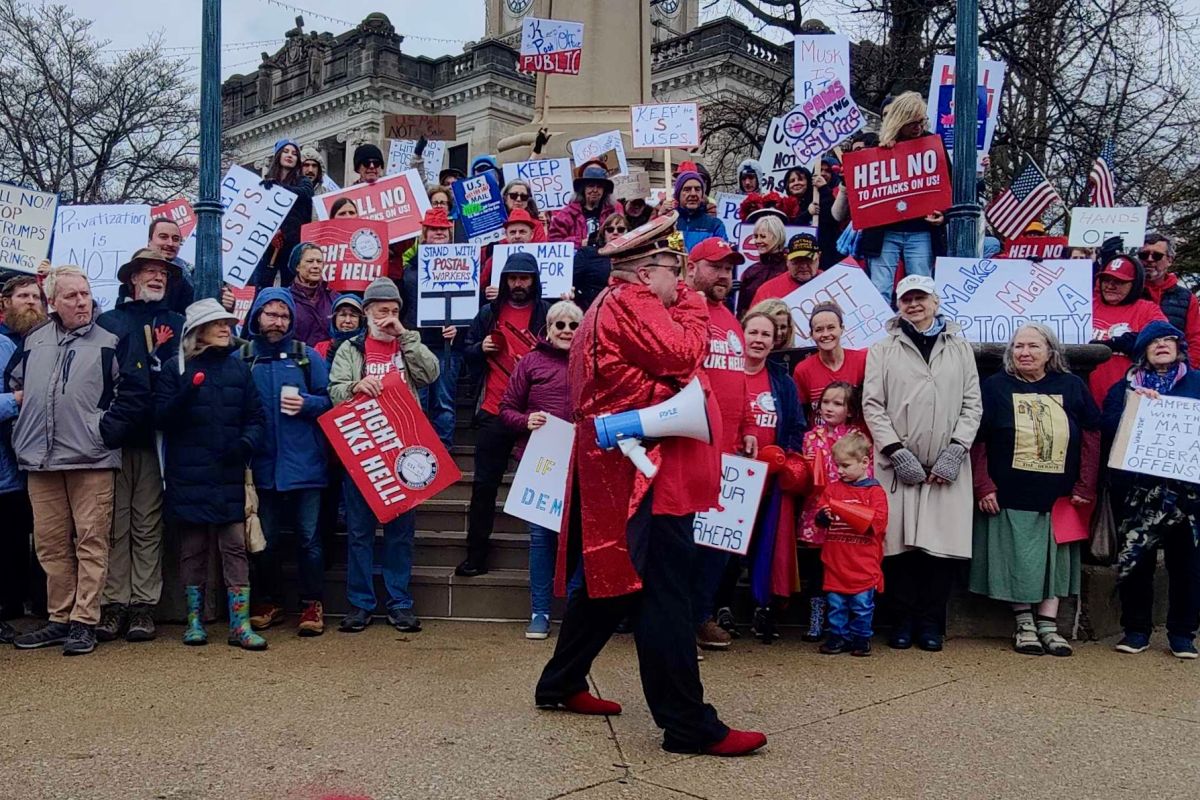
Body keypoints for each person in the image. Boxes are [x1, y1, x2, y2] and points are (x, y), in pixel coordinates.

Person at [533, 212, 766, 757]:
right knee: (666, 596)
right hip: (647, 478)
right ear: (644, 273)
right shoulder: (636, 302)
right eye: (671, 268)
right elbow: (686, 353)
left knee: (607, 578)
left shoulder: (609, 304)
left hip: (625, 470)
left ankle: (560, 682)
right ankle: (687, 723)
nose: (680, 280)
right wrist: (692, 305)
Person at [9, 266, 146, 655]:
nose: (81, 301)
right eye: (71, 296)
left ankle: (84, 621)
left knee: (91, 542)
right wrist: (25, 432)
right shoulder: (34, 339)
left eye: (85, 294)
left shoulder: (111, 337)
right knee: (51, 545)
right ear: (53, 302)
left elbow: (134, 393)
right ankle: (59, 617)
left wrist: (103, 432)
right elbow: (14, 384)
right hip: (41, 460)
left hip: (91, 458)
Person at [862, 274, 981, 652]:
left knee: (939, 549)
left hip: (946, 465)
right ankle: (902, 620)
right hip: (901, 466)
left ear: (935, 301)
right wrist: (896, 450)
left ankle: (931, 623)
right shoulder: (883, 348)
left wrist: (956, 449)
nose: (914, 305)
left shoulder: (960, 348)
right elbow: (873, 405)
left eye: (921, 298)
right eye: (907, 299)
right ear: (898, 304)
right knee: (899, 549)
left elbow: (972, 403)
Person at [970, 324, 1100, 657]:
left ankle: (1049, 624)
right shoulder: (996, 387)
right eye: (1018, 346)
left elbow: (1091, 435)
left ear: (1050, 352)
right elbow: (979, 440)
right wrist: (983, 485)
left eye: (1033, 346)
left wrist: (1086, 484)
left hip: (1060, 495)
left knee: (1053, 562)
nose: (1024, 352)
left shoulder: (1071, 386)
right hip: (1010, 494)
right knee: (1018, 559)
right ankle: (1024, 623)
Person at [156, 298, 268, 650]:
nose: (226, 327)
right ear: (199, 330)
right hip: (188, 475)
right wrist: (187, 393)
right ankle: (194, 622)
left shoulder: (239, 369)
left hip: (228, 473)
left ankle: (240, 625)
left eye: (228, 322)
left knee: (235, 546)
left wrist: (244, 444)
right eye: (217, 323)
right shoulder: (177, 368)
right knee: (193, 549)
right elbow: (160, 419)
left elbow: (257, 418)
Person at [329, 277, 439, 633]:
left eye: (393, 310)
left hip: (405, 451)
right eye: (382, 311)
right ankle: (360, 605)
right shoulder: (351, 349)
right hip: (364, 450)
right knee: (360, 532)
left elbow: (431, 373)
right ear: (367, 313)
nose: (388, 317)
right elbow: (333, 391)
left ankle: (400, 603)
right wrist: (354, 386)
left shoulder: (407, 344)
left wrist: (405, 335)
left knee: (399, 533)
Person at [94, 249, 185, 643]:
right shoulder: (109, 322)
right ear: (132, 278)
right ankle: (113, 603)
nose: (156, 277)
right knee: (115, 526)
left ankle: (143, 605)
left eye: (162, 272)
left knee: (148, 524)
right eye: (149, 271)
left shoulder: (179, 324)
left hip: (154, 442)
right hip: (112, 442)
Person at [1103, 321, 1200, 659]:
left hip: (1187, 496)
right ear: (1142, 351)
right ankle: (1136, 630)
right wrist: (1136, 408)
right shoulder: (1123, 389)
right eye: (1153, 341)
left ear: (1179, 347)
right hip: (1137, 491)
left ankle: (1183, 633)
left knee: (1187, 564)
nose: (1161, 345)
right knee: (1136, 562)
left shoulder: (1198, 383)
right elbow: (1108, 430)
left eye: (1168, 340)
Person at [240, 288, 332, 637]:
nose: (277, 321)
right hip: (262, 466)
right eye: (271, 314)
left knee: (309, 539)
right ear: (258, 316)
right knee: (267, 541)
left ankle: (312, 603)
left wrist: (307, 404)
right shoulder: (244, 357)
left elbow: (329, 402)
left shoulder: (308, 357)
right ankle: (271, 600)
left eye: (284, 315)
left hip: (306, 465)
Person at [457, 253, 550, 577]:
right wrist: (479, 348)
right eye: (513, 278)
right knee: (484, 486)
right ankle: (476, 554)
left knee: (546, 485)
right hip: (494, 409)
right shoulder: (487, 313)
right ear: (504, 280)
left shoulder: (548, 313)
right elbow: (465, 351)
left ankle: (548, 558)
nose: (518, 284)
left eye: (524, 278)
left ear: (534, 280)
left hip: (538, 413)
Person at [685, 237, 756, 651]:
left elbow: (741, 380)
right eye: (716, 266)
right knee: (689, 545)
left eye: (730, 268)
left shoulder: (730, 319)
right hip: (694, 448)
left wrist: (747, 423)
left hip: (729, 451)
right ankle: (681, 621)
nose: (725, 275)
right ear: (691, 269)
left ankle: (701, 615)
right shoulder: (683, 313)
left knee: (717, 546)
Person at [498, 300, 582, 639]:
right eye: (558, 324)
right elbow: (506, 408)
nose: (565, 331)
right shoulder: (530, 362)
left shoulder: (592, 363)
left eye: (573, 325)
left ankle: (577, 613)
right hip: (540, 462)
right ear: (547, 329)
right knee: (540, 538)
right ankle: (540, 611)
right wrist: (525, 420)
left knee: (579, 537)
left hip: (580, 462)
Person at [739, 311, 806, 644]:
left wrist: (784, 458)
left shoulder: (782, 380)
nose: (759, 340)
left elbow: (796, 427)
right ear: (741, 333)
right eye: (753, 332)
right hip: (732, 480)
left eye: (766, 335)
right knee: (726, 550)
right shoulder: (727, 373)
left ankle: (762, 610)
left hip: (769, 483)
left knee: (764, 549)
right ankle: (717, 607)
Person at [797, 381, 872, 642]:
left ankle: (845, 621)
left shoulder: (858, 439)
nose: (829, 408)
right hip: (816, 512)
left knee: (841, 566)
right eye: (825, 402)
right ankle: (817, 617)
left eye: (837, 403)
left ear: (850, 410)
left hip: (846, 514)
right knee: (817, 567)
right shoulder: (809, 437)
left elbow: (866, 475)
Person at [859, 92, 946, 304]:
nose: (918, 127)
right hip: (885, 232)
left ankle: (923, 333)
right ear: (900, 120)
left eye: (921, 121)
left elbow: (946, 186)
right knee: (880, 290)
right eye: (912, 123)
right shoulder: (877, 149)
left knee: (923, 288)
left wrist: (943, 215)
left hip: (921, 230)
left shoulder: (933, 145)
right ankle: (881, 335)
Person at [811, 431, 888, 656]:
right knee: (836, 605)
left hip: (863, 564)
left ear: (864, 463)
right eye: (837, 466)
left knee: (862, 606)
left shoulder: (875, 492)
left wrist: (852, 513)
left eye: (845, 465)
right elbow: (820, 517)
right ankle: (837, 637)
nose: (840, 471)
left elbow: (879, 523)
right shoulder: (833, 489)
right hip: (836, 562)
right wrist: (823, 517)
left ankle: (861, 638)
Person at [0, 276, 47, 636]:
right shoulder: (3, 344)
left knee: (33, 537)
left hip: (36, 460)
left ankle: (30, 602)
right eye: (23, 296)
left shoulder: (48, 340)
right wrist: (16, 400)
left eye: (36, 296)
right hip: (7, 462)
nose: (31, 301)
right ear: (5, 303)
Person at [400, 207, 465, 449]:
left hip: (449, 346)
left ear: (450, 234)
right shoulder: (410, 269)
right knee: (419, 401)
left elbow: (470, 307)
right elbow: (404, 307)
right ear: (424, 234)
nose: (439, 233)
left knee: (444, 402)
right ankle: (417, 450)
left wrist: (460, 329)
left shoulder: (465, 265)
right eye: (434, 229)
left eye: (443, 230)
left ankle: (443, 452)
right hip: (418, 345)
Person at [1087, 254, 1166, 407]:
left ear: (1135, 284)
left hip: (1126, 401)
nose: (1110, 286)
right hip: (1084, 400)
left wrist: (1135, 342)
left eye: (1119, 282)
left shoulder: (1147, 310)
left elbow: (1167, 342)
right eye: (1106, 280)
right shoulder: (1085, 304)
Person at [250, 139, 315, 289]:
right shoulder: (266, 182)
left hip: (292, 243)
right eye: (286, 151)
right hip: (269, 245)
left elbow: (305, 194)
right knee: (262, 286)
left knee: (290, 285)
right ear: (278, 155)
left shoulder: (303, 181)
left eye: (294, 153)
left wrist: (279, 188)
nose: (290, 155)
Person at [792, 302, 869, 417]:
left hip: (857, 434)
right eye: (819, 330)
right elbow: (800, 414)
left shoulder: (862, 361)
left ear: (842, 329)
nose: (826, 334)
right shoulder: (803, 370)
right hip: (819, 433)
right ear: (811, 334)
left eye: (831, 327)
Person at [1139, 233, 1200, 367]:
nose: (1149, 259)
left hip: (1174, 372)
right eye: (1144, 255)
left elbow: (1195, 339)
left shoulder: (1187, 298)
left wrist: (1189, 373)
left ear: (1170, 260)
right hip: (1133, 371)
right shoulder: (1127, 292)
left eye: (1157, 255)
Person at [549, 160, 623, 247]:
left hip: (607, 258)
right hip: (578, 259)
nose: (595, 190)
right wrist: (580, 243)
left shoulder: (613, 212)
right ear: (583, 189)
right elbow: (554, 242)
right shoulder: (567, 214)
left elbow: (623, 236)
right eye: (591, 186)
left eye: (599, 187)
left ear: (604, 190)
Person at [138, 218, 195, 315]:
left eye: (176, 239)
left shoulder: (180, 279)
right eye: (163, 237)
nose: (170, 243)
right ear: (149, 240)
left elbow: (196, 311)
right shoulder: (134, 269)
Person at [572, 213, 628, 312]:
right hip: (593, 310)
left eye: (620, 229)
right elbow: (572, 281)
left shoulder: (636, 257)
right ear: (603, 233)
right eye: (610, 229)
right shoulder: (587, 253)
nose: (615, 232)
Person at [736, 214, 789, 317]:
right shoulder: (751, 272)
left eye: (763, 236)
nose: (758, 241)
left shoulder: (789, 268)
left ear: (777, 236)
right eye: (756, 236)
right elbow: (742, 312)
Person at [750, 233, 821, 307]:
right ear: (787, 260)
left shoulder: (830, 282)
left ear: (818, 258)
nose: (803, 266)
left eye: (808, 260)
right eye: (797, 261)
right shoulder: (767, 291)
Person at [287, 242, 336, 348]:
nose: (316, 266)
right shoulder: (285, 300)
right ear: (297, 266)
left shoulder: (334, 298)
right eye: (310, 261)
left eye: (319, 262)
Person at [673, 168, 727, 252]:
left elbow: (721, 256)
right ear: (678, 194)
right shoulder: (671, 223)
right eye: (687, 189)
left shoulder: (715, 225)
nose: (693, 193)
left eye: (697, 189)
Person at [314, 294, 365, 362]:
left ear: (361, 320)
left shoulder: (367, 347)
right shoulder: (321, 348)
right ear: (334, 319)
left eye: (353, 315)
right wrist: (330, 358)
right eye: (343, 315)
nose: (347, 321)